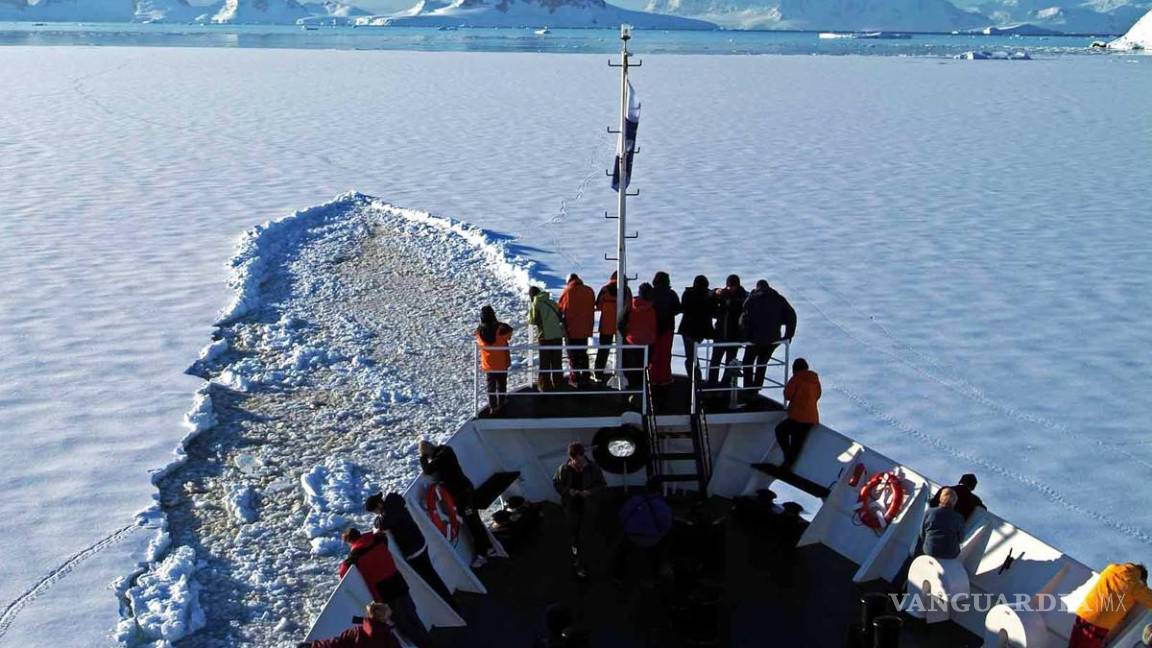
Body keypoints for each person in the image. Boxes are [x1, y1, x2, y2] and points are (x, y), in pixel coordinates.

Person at [338, 528, 431, 648]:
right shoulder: (379, 539)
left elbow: (343, 570)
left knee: (404, 625)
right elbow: (381, 535)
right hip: (398, 582)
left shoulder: (355, 556)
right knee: (412, 615)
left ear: (349, 542)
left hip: (386, 592)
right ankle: (428, 641)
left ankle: (424, 645)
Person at [366, 492, 455, 606]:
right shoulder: (395, 501)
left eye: (375, 511)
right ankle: (449, 601)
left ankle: (450, 604)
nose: (376, 514)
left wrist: (379, 518)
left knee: (432, 580)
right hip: (421, 543)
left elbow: (381, 524)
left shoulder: (388, 516)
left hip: (413, 552)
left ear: (378, 506)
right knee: (433, 576)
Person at [418, 440, 495, 568]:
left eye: (428, 455)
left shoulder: (440, 458)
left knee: (473, 524)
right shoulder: (446, 450)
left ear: (429, 451)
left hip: (462, 495)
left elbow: (428, 470)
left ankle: (483, 553)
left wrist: (422, 457)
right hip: (465, 490)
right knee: (474, 521)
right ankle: (488, 548)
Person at [552, 442, 606, 579]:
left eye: (577, 459)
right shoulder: (563, 469)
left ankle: (584, 561)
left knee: (586, 535)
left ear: (583, 455)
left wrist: (590, 492)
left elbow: (602, 484)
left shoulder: (593, 468)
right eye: (572, 459)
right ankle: (577, 559)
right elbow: (556, 483)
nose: (575, 462)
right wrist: (568, 491)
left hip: (589, 506)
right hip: (571, 507)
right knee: (573, 534)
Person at [1068, 563, 1152, 648]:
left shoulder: (1111, 568)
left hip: (1083, 615)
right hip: (1098, 625)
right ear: (1141, 579)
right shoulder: (1135, 586)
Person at [740, 279, 797, 394]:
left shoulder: (752, 298)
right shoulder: (778, 299)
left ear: (758, 287)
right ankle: (756, 387)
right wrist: (788, 335)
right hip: (772, 340)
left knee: (747, 362)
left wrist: (745, 336)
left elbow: (744, 319)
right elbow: (791, 315)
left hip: (755, 339)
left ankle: (748, 388)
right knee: (762, 362)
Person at [612, 478, 673, 585]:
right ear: (660, 489)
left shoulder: (635, 500)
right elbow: (667, 525)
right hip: (653, 540)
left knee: (621, 548)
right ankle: (656, 572)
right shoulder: (664, 506)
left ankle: (617, 575)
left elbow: (622, 515)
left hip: (632, 537)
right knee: (662, 547)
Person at [775, 358, 821, 469]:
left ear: (795, 369)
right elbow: (818, 395)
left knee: (780, 430)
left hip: (798, 417)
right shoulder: (814, 379)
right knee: (797, 442)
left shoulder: (796, 378)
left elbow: (787, 395)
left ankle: (787, 463)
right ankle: (788, 463)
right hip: (812, 418)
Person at [301, 602, 401, 648]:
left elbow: (336, 644)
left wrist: (313, 646)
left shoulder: (357, 632)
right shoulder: (389, 639)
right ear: (384, 619)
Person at [708, 275, 748, 386]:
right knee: (715, 362)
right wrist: (716, 292)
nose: (731, 288)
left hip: (734, 336)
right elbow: (709, 295)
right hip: (720, 335)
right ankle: (712, 384)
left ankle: (725, 386)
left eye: (733, 286)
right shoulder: (723, 294)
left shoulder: (743, 297)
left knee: (729, 363)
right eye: (729, 286)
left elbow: (747, 301)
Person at [558, 273, 596, 387]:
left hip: (571, 330)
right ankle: (585, 377)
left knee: (573, 356)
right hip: (585, 330)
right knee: (583, 354)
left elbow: (560, 308)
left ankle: (575, 379)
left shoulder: (567, 292)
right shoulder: (589, 290)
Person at [620, 282, 657, 396]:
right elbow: (654, 326)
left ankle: (633, 393)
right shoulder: (651, 309)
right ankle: (641, 394)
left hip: (632, 342)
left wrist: (626, 334)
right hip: (647, 343)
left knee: (631, 369)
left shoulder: (631, 306)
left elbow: (621, 323)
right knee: (643, 369)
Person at [594, 272, 631, 384]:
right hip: (622, 326)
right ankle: (623, 372)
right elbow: (629, 306)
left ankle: (598, 374)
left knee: (603, 351)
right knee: (623, 351)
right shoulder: (626, 291)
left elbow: (598, 305)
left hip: (606, 325)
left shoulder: (605, 289)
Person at [474, 305, 513, 412]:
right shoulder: (500, 330)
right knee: (502, 384)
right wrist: (498, 323)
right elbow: (509, 332)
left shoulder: (479, 332)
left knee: (490, 387)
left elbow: (476, 337)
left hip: (489, 364)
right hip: (501, 363)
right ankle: (502, 401)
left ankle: (493, 406)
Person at [528, 286, 566, 391]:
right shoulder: (550, 301)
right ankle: (559, 384)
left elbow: (532, 320)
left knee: (545, 363)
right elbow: (560, 314)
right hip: (557, 336)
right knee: (557, 362)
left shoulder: (536, 303)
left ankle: (545, 386)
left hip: (545, 337)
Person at [678, 275, 716, 376]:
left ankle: (695, 378)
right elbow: (714, 311)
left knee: (691, 357)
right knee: (692, 357)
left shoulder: (688, 294)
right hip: (701, 330)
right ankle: (696, 378)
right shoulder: (708, 295)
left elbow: (684, 308)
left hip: (688, 330)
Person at [649, 271, 681, 386]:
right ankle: (665, 378)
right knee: (666, 354)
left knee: (653, 354)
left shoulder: (651, 293)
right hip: (668, 327)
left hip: (653, 328)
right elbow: (678, 308)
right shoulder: (671, 293)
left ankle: (652, 377)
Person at [920, 488, 965, 560]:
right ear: (954, 502)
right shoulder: (959, 518)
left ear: (941, 498)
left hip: (930, 550)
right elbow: (961, 539)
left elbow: (922, 533)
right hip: (950, 554)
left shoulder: (929, 512)